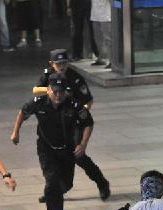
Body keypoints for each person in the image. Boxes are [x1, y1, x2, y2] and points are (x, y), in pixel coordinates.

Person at [11, 73, 94, 210]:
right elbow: (23, 112)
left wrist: (83, 144)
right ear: (48, 90)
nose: (58, 95)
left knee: (66, 184)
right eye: (55, 91)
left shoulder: (74, 105)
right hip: (46, 149)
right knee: (52, 182)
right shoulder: (39, 103)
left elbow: (88, 123)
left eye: (61, 92)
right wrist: (15, 132)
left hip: (67, 149)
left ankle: (54, 194)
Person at [36, 49, 110, 201]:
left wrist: (81, 114)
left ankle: (101, 183)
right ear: (52, 64)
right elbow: (36, 90)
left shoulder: (76, 78)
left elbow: (88, 100)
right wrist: (51, 90)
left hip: (74, 122)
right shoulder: (48, 75)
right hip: (57, 121)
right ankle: (54, 189)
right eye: (58, 64)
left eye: (64, 63)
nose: (62, 67)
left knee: (78, 155)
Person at [90, 0, 111, 67]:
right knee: (98, 38)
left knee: (108, 39)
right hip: (95, 15)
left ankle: (112, 61)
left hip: (106, 16)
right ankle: (101, 58)